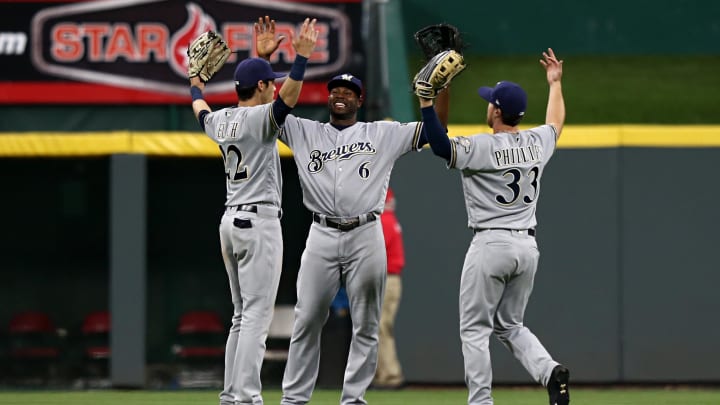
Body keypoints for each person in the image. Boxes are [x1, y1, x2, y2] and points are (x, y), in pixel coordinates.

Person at [254, 26, 449, 405]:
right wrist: (265, 61)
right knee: (307, 319)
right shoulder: (304, 131)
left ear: (359, 100)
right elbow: (267, 114)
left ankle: (353, 399)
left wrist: (441, 87)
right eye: (335, 91)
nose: (340, 95)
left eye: (348, 92)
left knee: (367, 326)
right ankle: (294, 399)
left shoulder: (382, 134)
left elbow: (436, 131)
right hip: (322, 234)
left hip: (366, 234)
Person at [418, 48, 570, 405]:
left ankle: (481, 401)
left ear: (497, 111)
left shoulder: (482, 146)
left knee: (474, 329)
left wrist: (428, 103)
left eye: (491, 101)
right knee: (510, 324)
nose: (487, 104)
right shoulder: (537, 142)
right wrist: (555, 84)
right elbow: (556, 122)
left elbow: (440, 147)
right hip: (527, 248)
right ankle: (549, 371)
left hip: (491, 244)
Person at [188, 16, 318, 405]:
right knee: (256, 318)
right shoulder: (261, 119)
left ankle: (231, 396)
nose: (276, 84)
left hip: (230, 221)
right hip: (258, 222)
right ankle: (246, 397)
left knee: (241, 317)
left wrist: (195, 81)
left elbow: (199, 107)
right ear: (260, 86)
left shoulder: (220, 121)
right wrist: (301, 60)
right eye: (269, 80)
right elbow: (287, 100)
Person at [372, 187, 406, 389]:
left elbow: (376, 249)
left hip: (387, 278)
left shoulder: (384, 220)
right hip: (390, 279)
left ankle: (390, 375)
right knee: (380, 327)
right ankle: (382, 373)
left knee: (381, 327)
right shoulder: (390, 219)